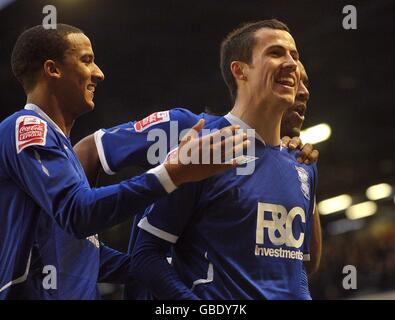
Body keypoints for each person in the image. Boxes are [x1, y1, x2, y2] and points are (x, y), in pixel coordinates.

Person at [0, 24, 247, 299]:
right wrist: (172, 173)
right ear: (53, 70)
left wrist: (166, 265)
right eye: (87, 60)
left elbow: (81, 254)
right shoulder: (27, 127)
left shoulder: (59, 146)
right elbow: (78, 213)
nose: (99, 73)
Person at [131, 19, 318, 299]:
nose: (291, 63)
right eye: (276, 53)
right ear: (240, 70)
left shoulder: (302, 162)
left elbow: (297, 268)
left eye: (295, 55)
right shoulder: (202, 148)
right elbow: (145, 255)